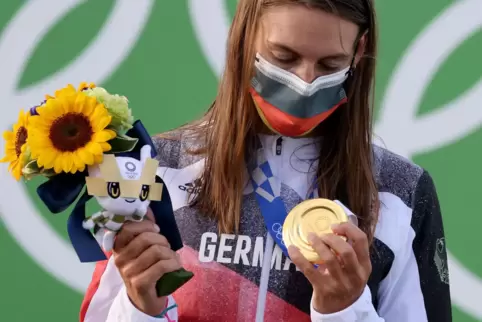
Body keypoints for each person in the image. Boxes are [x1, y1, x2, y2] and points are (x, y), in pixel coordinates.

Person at [80, 0, 452, 321]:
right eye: (284, 57)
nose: (305, 83)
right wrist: (140, 307)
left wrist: (346, 309)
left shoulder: (401, 191)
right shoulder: (154, 168)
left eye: (329, 64)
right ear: (244, 37)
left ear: (359, 51)